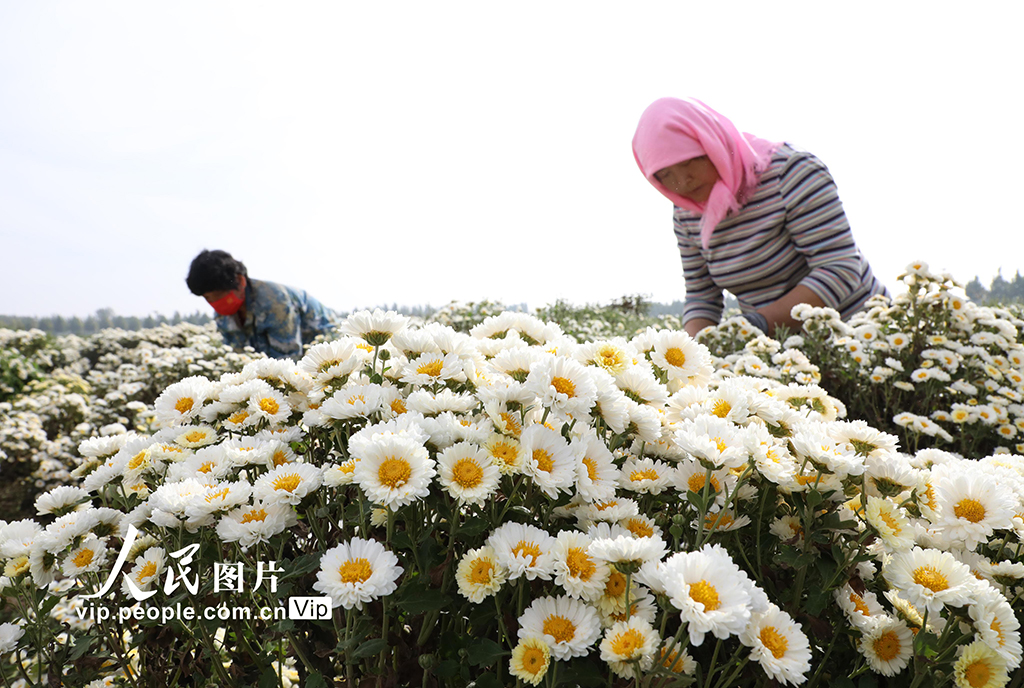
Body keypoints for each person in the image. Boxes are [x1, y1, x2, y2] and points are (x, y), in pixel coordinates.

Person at [632, 97, 888, 338]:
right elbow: (702, 296)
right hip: (778, 348)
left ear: (712, 143)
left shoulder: (790, 173)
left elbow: (839, 268)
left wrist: (757, 324)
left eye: (690, 161)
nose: (682, 181)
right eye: (664, 174)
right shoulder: (686, 212)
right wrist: (690, 354)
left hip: (859, 333)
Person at [186, 249, 338, 359]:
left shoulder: (275, 301)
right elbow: (238, 358)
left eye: (218, 296)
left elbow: (288, 360)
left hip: (330, 349)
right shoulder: (224, 315)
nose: (214, 303)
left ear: (240, 281)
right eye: (207, 298)